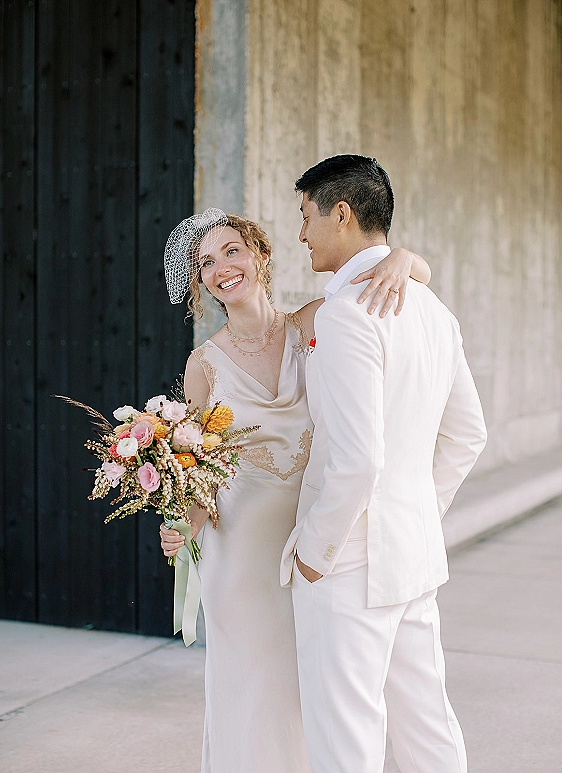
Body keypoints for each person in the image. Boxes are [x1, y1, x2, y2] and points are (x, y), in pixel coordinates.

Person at [159, 209, 432, 773]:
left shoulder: (312, 322)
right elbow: (199, 475)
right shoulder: (203, 365)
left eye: (231, 251)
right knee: (252, 687)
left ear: (259, 254)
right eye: (205, 262)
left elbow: (411, 274)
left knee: (315, 689)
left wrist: (404, 258)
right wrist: (183, 524)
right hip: (240, 554)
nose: (220, 268)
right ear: (198, 282)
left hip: (311, 540)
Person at [281, 154, 487, 773]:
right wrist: (420, 506)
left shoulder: (346, 315)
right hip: (413, 549)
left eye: (306, 216)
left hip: (347, 561)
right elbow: (469, 435)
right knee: (427, 723)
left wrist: (312, 551)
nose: (301, 233)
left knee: (344, 734)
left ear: (341, 215)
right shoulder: (435, 311)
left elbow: (357, 458)